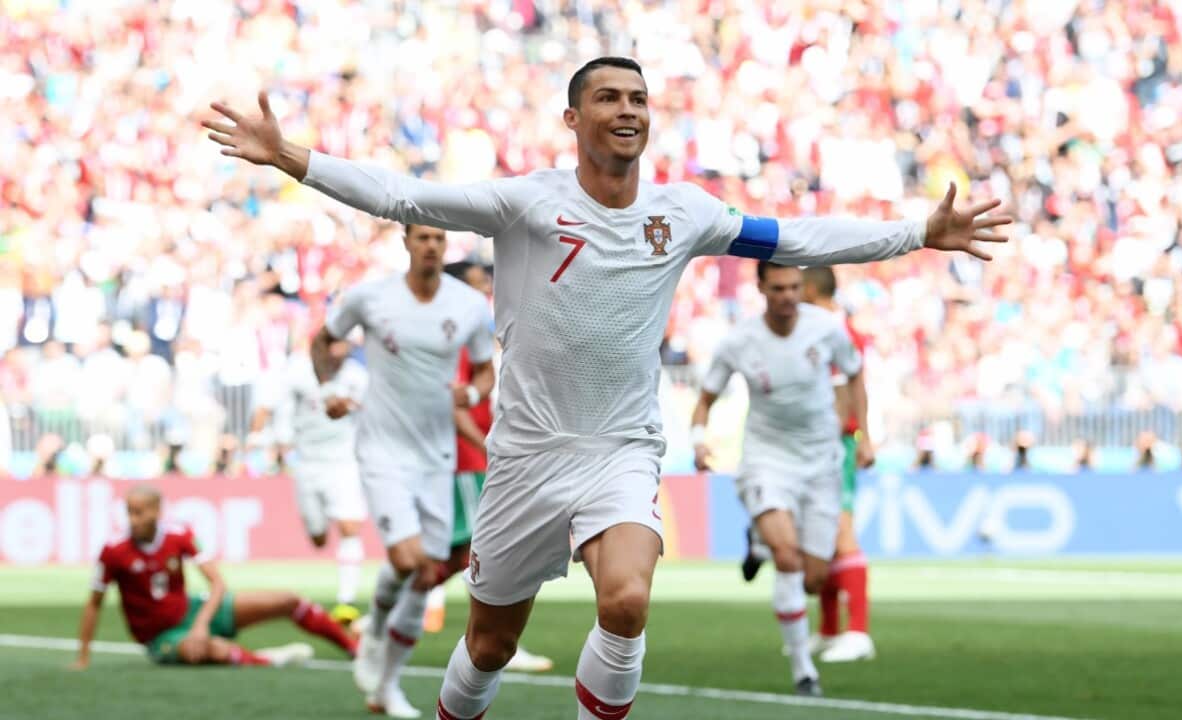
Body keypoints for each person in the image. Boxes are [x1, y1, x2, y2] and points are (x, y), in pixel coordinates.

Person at [204, 56, 1009, 720]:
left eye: (638, 99)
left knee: (626, 602)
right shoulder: (526, 204)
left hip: (620, 450)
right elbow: (401, 195)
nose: (628, 110)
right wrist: (290, 156)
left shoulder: (682, 212)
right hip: (523, 459)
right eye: (609, 97)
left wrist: (918, 233)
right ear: (573, 119)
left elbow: (794, 235)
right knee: (488, 647)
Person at [315, 223, 496, 718]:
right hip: (382, 451)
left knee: (425, 573)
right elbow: (324, 339)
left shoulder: (468, 306)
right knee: (412, 559)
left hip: (437, 456)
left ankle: (385, 684)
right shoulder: (371, 298)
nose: (431, 246)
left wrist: (475, 394)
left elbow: (485, 369)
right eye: (423, 238)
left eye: (439, 238)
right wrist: (328, 390)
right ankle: (374, 632)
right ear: (407, 243)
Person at [689, 262, 862, 695]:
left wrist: (866, 433)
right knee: (789, 557)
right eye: (778, 288)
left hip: (821, 461)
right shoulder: (739, 341)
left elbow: (855, 372)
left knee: (813, 578)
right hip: (768, 459)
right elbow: (705, 399)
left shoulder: (826, 328)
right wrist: (698, 441)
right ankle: (805, 671)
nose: (787, 296)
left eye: (794, 287)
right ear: (761, 288)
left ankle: (760, 540)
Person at [421, 261, 554, 674]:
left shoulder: (475, 337)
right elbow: (454, 403)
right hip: (468, 459)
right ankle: (493, 639)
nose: (487, 294)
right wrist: (489, 448)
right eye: (479, 286)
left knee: (464, 553)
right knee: (489, 550)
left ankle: (396, 608)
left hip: (473, 457)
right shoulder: (459, 340)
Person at [72, 485, 357, 670]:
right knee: (211, 650)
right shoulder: (113, 550)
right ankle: (270, 659)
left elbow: (218, 584)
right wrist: (83, 656)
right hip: (161, 636)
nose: (133, 519)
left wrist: (200, 624)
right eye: (129, 512)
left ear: (158, 511)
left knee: (288, 600)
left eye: (139, 512)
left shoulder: (179, 535)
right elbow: (94, 603)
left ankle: (354, 649)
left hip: (194, 610)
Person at [250, 334, 369, 624]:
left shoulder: (358, 377)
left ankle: (346, 602)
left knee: (349, 526)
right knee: (318, 537)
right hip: (307, 463)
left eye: (345, 346)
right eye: (334, 345)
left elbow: (376, 410)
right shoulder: (298, 373)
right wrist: (259, 435)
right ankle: (317, 525)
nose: (340, 352)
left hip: (344, 462)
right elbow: (268, 404)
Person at [801, 266, 876, 664]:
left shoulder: (834, 330)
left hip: (836, 444)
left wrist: (861, 435)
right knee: (821, 535)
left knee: (841, 529)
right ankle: (830, 629)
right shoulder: (822, 327)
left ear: (810, 289)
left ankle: (858, 632)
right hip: (818, 443)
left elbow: (852, 386)